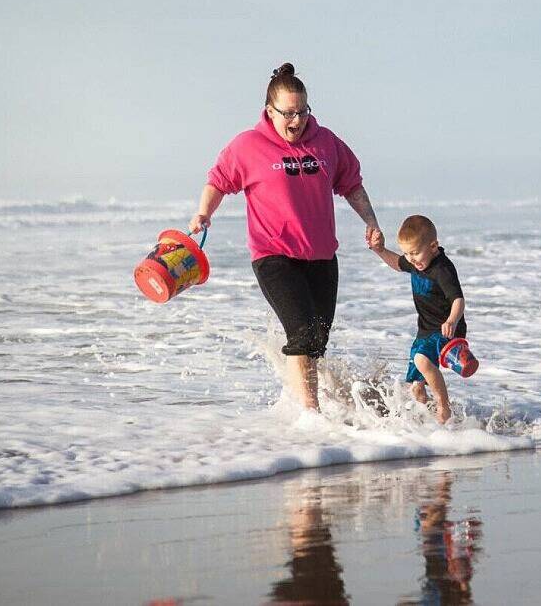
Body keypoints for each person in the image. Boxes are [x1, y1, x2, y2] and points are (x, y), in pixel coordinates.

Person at [189, 62, 382, 411]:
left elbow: (351, 183)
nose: (297, 120)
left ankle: (314, 404)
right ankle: (311, 416)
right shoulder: (247, 146)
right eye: (289, 113)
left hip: (322, 257)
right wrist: (204, 212)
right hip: (274, 256)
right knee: (304, 334)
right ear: (269, 111)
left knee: (318, 340)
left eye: (303, 111)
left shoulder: (327, 143)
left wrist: (370, 220)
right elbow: (218, 181)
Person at [369, 215, 468, 424]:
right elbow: (397, 263)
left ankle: (444, 408)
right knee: (415, 385)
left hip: (447, 330)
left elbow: (458, 299)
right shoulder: (416, 261)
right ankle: (427, 422)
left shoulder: (442, 269)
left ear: (433, 246)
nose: (411, 259)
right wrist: (379, 250)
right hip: (424, 331)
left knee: (422, 361)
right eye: (407, 253)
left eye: (414, 253)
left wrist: (451, 320)